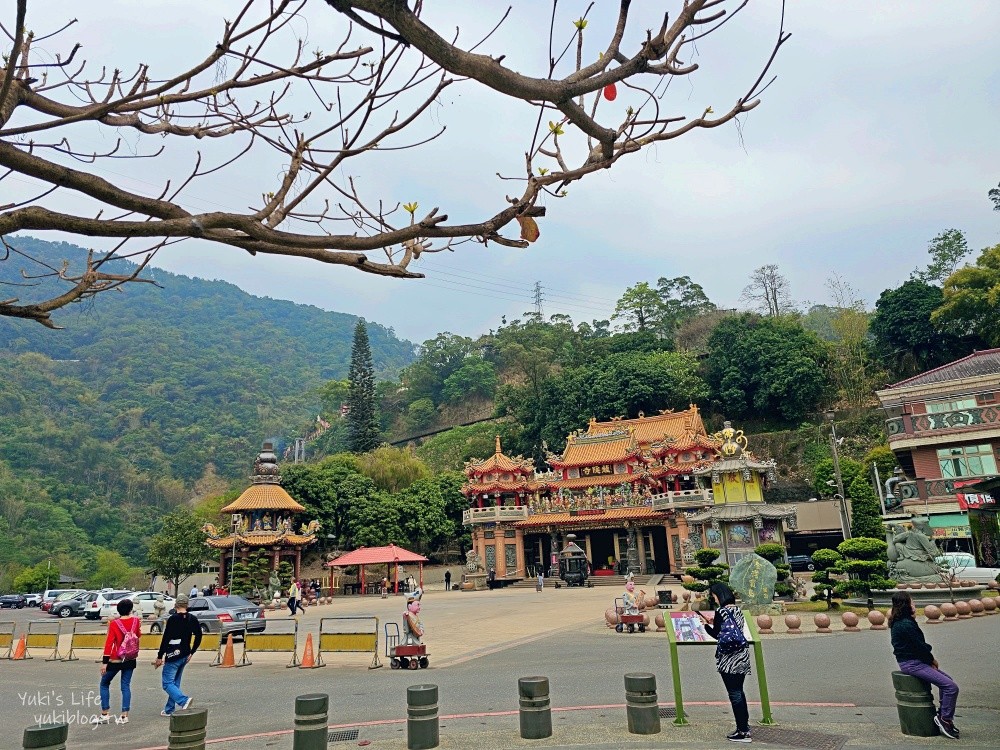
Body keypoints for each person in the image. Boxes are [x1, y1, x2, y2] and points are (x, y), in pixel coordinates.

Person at [889, 591, 960, 739]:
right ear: (906, 604)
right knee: (951, 687)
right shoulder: (905, 624)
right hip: (913, 664)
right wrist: (931, 660)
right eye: (912, 602)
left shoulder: (900, 620)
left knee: (948, 682)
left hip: (913, 661)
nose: (914, 604)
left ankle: (943, 715)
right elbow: (920, 647)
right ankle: (945, 719)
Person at [698, 582, 753, 743]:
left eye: (714, 595)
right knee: (739, 692)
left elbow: (717, 635)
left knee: (734, 694)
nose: (713, 598)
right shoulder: (737, 610)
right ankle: (744, 727)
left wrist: (706, 625)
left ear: (718, 595)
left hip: (729, 658)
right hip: (742, 656)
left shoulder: (721, 611)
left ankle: (742, 732)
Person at [153, 594, 202, 717]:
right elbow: (199, 635)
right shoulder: (192, 619)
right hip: (185, 654)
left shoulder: (173, 619)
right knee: (174, 682)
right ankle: (169, 709)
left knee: (167, 683)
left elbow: (166, 638)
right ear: (187, 605)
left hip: (173, 654)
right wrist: (192, 651)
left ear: (175, 605)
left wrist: (160, 656)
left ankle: (183, 700)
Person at [94, 598, 141, 725]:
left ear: (118, 610)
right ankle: (124, 716)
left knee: (104, 683)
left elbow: (109, 643)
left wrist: (105, 662)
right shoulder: (136, 621)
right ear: (131, 609)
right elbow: (138, 634)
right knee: (125, 686)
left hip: (115, 658)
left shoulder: (114, 624)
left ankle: (105, 713)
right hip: (130, 657)